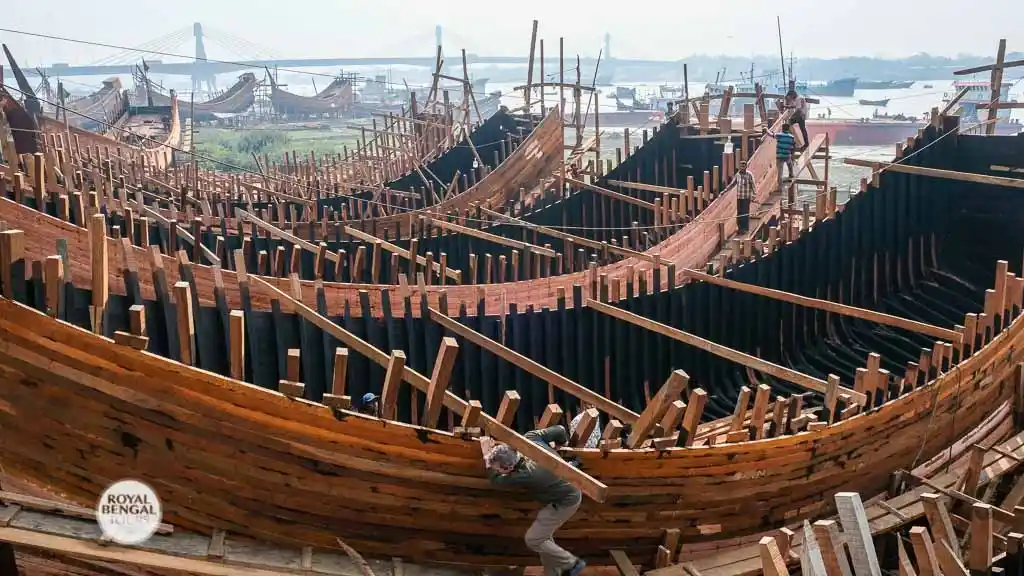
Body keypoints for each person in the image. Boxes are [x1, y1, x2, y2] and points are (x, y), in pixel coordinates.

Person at [480, 427, 586, 576]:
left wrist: (486, 457)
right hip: (563, 493)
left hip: (566, 501)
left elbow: (496, 480)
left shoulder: (527, 474)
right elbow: (561, 430)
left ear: (509, 467)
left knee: (534, 539)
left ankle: (572, 564)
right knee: (544, 539)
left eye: (499, 469)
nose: (498, 471)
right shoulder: (530, 438)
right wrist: (561, 445)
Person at [765, 124, 796, 197]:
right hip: (787, 155)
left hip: (780, 156)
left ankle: (780, 188)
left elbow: (771, 134)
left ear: (782, 128)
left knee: (780, 173)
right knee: (790, 165)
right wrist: (792, 154)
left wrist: (766, 129)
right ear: (788, 129)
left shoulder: (779, 135)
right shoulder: (792, 137)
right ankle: (791, 174)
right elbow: (793, 146)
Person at [734, 160, 755, 234]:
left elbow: (753, 185)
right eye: (741, 165)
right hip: (739, 197)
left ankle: (745, 229)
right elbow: (732, 184)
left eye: (744, 165)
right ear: (739, 166)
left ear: (746, 166)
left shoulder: (749, 175)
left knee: (745, 213)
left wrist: (754, 195)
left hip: (746, 197)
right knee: (739, 213)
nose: (742, 167)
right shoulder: (737, 175)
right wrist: (724, 191)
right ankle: (740, 228)